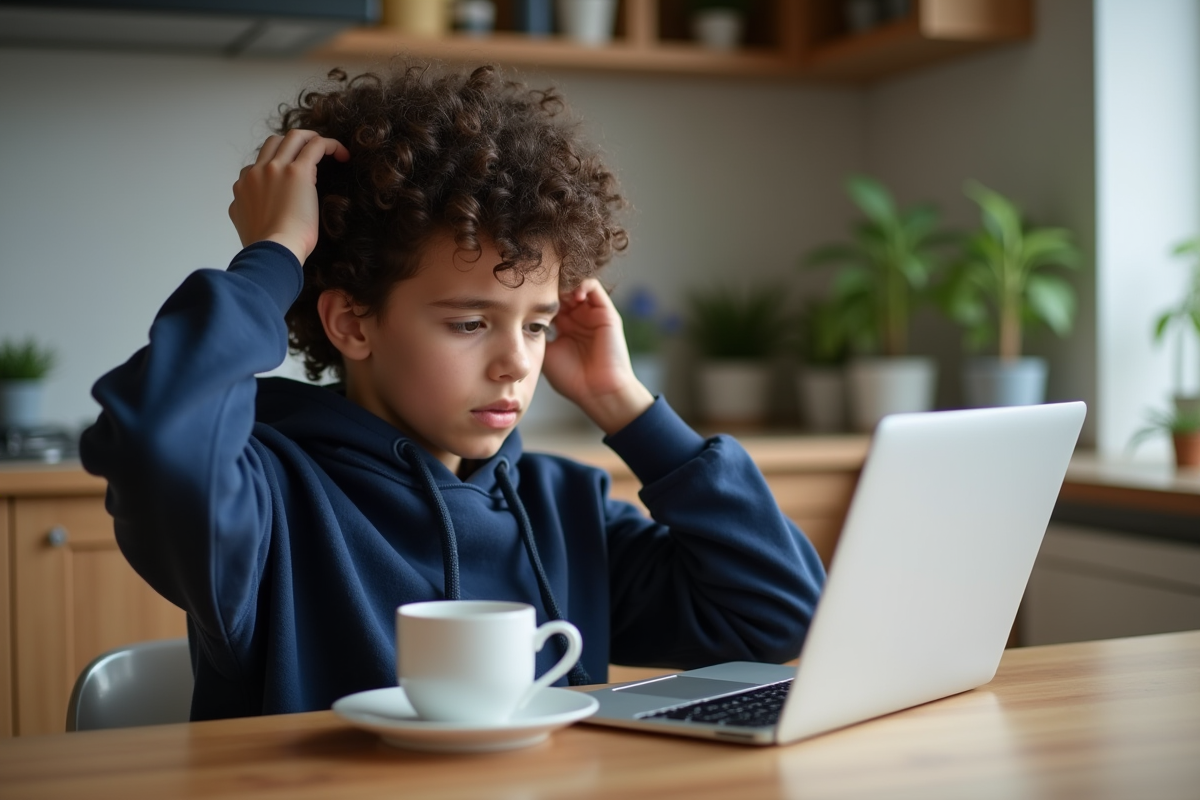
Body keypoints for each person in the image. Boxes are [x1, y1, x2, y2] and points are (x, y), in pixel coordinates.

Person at [80, 62, 826, 722]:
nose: (515, 364)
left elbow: (780, 614)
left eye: (536, 326)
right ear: (351, 322)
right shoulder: (266, 502)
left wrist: (623, 404)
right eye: (470, 322)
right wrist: (273, 258)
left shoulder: (562, 509)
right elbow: (156, 442)